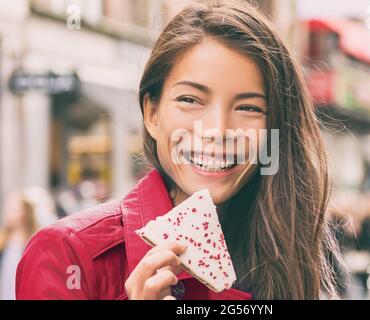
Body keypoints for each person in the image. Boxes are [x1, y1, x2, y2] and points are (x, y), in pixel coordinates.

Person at [16, 0, 340, 300]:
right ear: (152, 113)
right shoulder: (66, 255)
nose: (216, 131)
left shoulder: (294, 250)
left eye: (248, 108)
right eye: (190, 100)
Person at [0, 192, 38, 300]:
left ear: (26, 212)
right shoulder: (3, 239)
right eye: (7, 209)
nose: (9, 213)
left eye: (14, 210)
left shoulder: (34, 240)